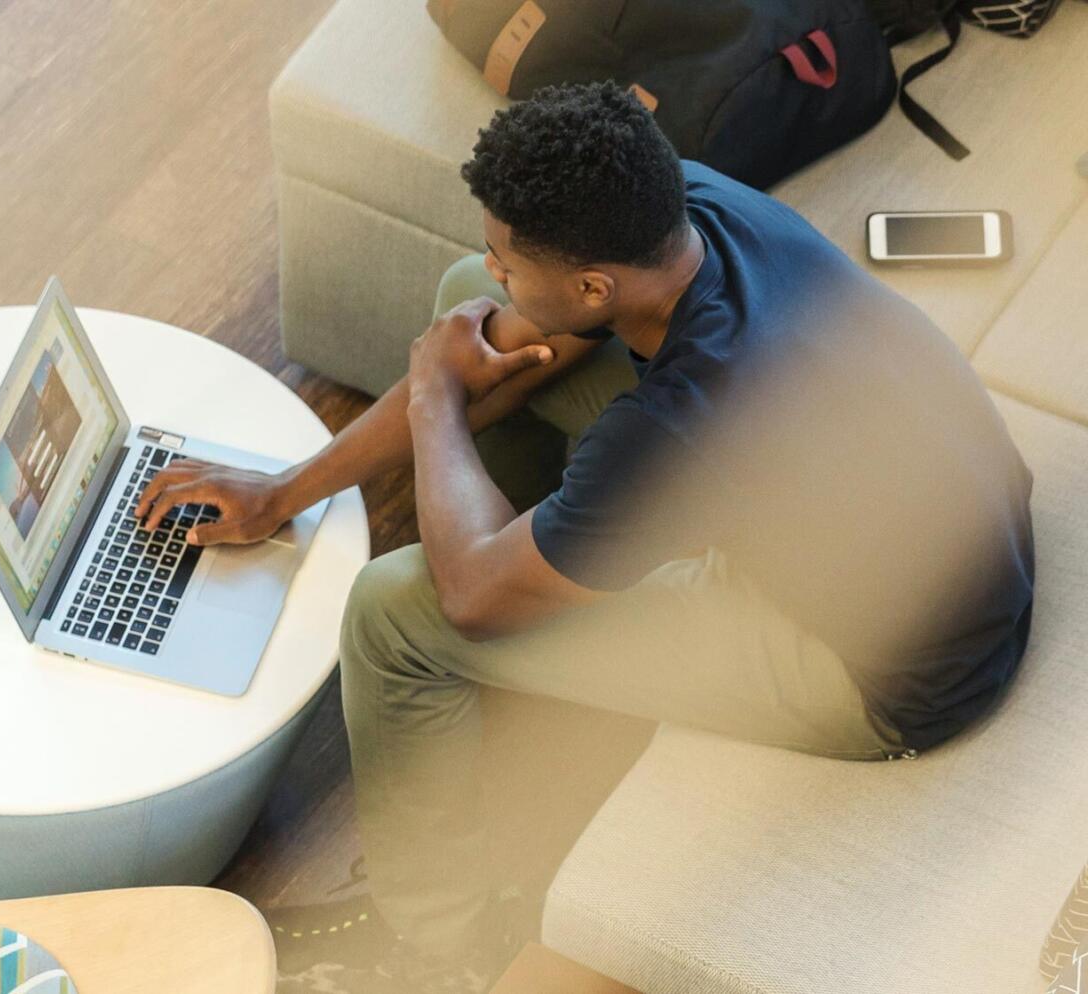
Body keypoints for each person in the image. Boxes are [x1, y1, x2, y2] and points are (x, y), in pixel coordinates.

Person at [135, 81, 1035, 993]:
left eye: (508, 259)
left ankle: (436, 946)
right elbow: (500, 332)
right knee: (464, 311)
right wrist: (285, 491)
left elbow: (470, 599)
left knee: (392, 614)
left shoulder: (689, 417)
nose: (495, 269)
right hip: (936, 528)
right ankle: (549, 575)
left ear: (596, 284)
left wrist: (439, 400)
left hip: (885, 671)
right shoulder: (685, 208)